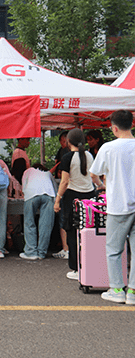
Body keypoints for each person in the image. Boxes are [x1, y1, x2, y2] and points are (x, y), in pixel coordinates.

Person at [90, 110, 135, 304]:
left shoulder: (108, 148)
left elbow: (93, 174)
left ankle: (117, 289)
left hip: (117, 205)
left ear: (114, 128)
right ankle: (133, 292)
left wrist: (102, 185)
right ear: (131, 125)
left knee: (114, 250)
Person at [53, 129, 95, 281]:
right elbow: (93, 176)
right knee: (89, 231)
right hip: (90, 197)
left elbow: (64, 182)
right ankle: (90, 265)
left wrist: (57, 200)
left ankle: (76, 269)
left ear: (68, 141)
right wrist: (101, 185)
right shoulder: (89, 155)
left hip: (72, 197)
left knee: (72, 232)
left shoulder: (67, 157)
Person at [19, 164, 57, 260]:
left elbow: (23, 188)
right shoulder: (48, 174)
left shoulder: (27, 171)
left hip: (31, 194)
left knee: (29, 223)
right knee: (46, 225)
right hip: (49, 195)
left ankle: (31, 252)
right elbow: (55, 189)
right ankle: (41, 253)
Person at [51, 130, 71, 260]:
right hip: (83, 192)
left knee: (64, 221)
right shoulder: (86, 155)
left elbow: (63, 179)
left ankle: (66, 249)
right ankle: (77, 248)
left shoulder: (66, 155)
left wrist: (57, 199)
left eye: (64, 141)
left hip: (67, 192)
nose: (63, 144)